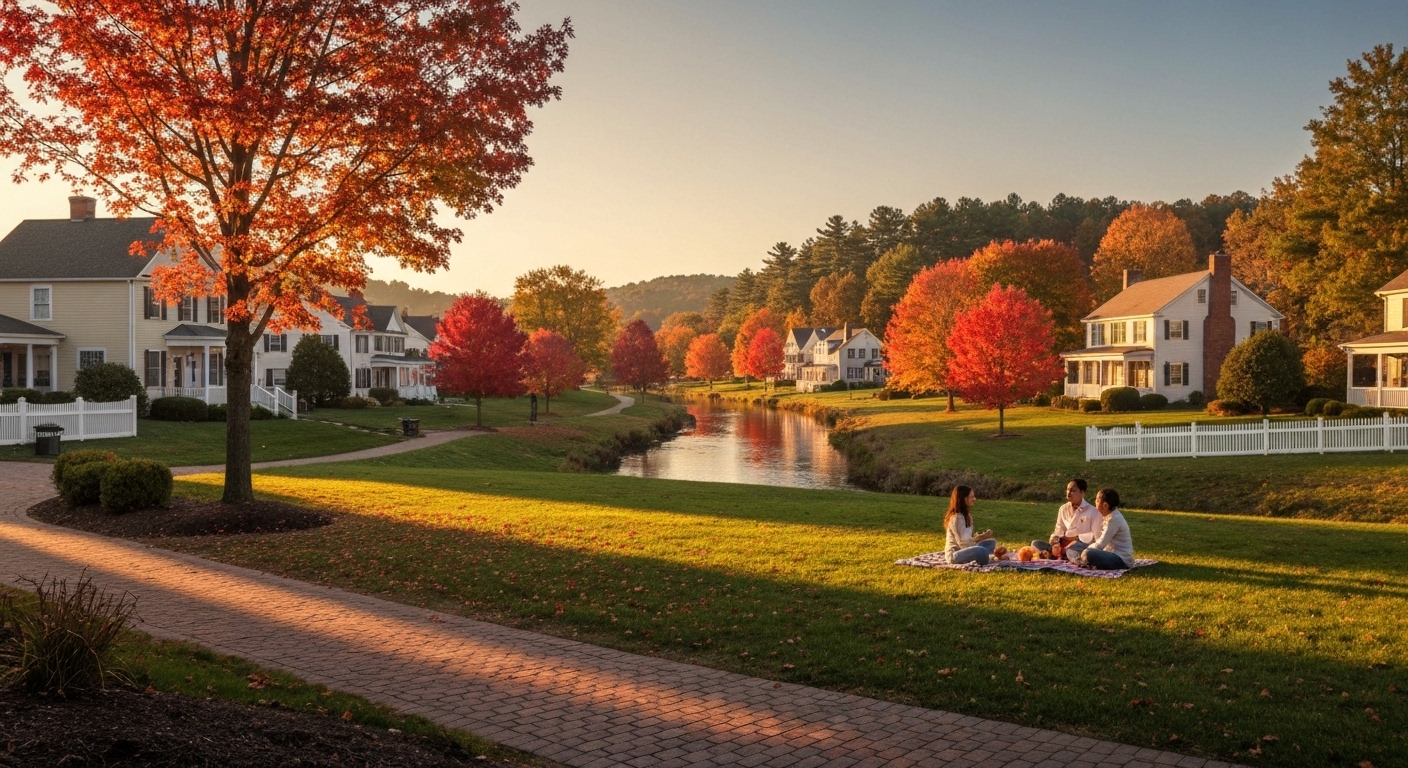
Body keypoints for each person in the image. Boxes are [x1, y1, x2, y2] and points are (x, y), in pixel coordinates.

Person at [1063, 488, 1135, 571]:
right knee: (1072, 548)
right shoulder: (1104, 515)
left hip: (1120, 558)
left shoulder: (1114, 519)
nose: (1095, 503)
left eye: (1097, 500)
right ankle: (1083, 561)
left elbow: (1100, 544)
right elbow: (1094, 537)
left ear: (1105, 505)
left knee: (1088, 554)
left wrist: (1085, 550)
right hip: (1105, 552)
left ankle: (1082, 561)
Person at [1032, 479, 1100, 558]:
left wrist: (1075, 539)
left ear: (1082, 492)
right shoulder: (1063, 508)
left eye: (1073, 491)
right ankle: (1058, 554)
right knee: (1035, 543)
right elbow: (1059, 529)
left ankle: (1059, 555)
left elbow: (1095, 538)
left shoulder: (1093, 511)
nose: (1069, 493)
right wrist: (1055, 541)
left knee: (1075, 549)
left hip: (1080, 545)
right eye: (1068, 490)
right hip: (1063, 544)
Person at [944, 485, 998, 565]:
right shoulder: (957, 518)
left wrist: (983, 537)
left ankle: (986, 555)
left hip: (966, 549)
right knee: (981, 551)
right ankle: (986, 556)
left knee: (991, 542)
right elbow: (963, 544)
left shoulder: (967, 516)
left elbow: (968, 540)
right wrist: (982, 537)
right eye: (972, 497)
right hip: (955, 554)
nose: (974, 499)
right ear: (964, 499)